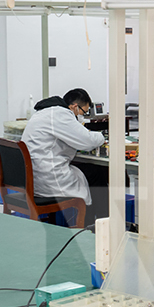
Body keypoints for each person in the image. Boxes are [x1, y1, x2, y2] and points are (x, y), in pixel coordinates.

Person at [21, 87, 104, 226]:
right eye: (84, 112)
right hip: (49, 179)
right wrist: (103, 136)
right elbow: (88, 141)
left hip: (34, 177)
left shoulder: (45, 112)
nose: (82, 116)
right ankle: (99, 223)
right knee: (97, 172)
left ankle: (95, 221)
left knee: (88, 171)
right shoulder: (61, 114)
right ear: (74, 107)